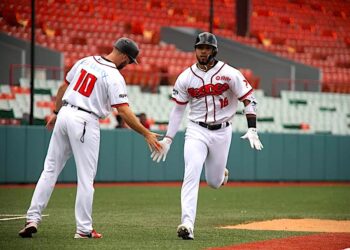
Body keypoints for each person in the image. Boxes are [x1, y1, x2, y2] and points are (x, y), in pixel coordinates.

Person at [19, 37, 161, 239]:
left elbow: (63, 88)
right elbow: (123, 111)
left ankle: (32, 218)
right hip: (85, 120)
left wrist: (56, 112)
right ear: (122, 55)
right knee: (86, 178)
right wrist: (146, 132)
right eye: (129, 60)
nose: (128, 65)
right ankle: (84, 229)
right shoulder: (113, 76)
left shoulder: (85, 60)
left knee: (49, 170)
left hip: (65, 113)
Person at [150, 32, 263, 240]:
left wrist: (252, 127)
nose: (203, 51)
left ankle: (221, 175)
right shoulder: (185, 77)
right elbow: (177, 110)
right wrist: (168, 138)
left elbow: (249, 99)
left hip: (222, 131)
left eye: (207, 48)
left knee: (213, 181)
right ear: (195, 49)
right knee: (191, 174)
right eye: (200, 47)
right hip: (196, 130)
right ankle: (187, 224)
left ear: (214, 50)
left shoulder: (230, 73)